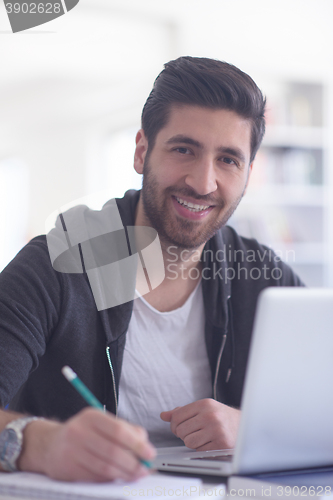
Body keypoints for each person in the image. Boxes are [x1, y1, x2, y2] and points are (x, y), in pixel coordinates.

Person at [0, 56, 303, 482]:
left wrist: (254, 428)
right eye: (184, 149)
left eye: (228, 160)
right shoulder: (57, 266)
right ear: (142, 151)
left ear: (248, 173)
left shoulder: (265, 278)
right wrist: (41, 444)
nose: (202, 182)